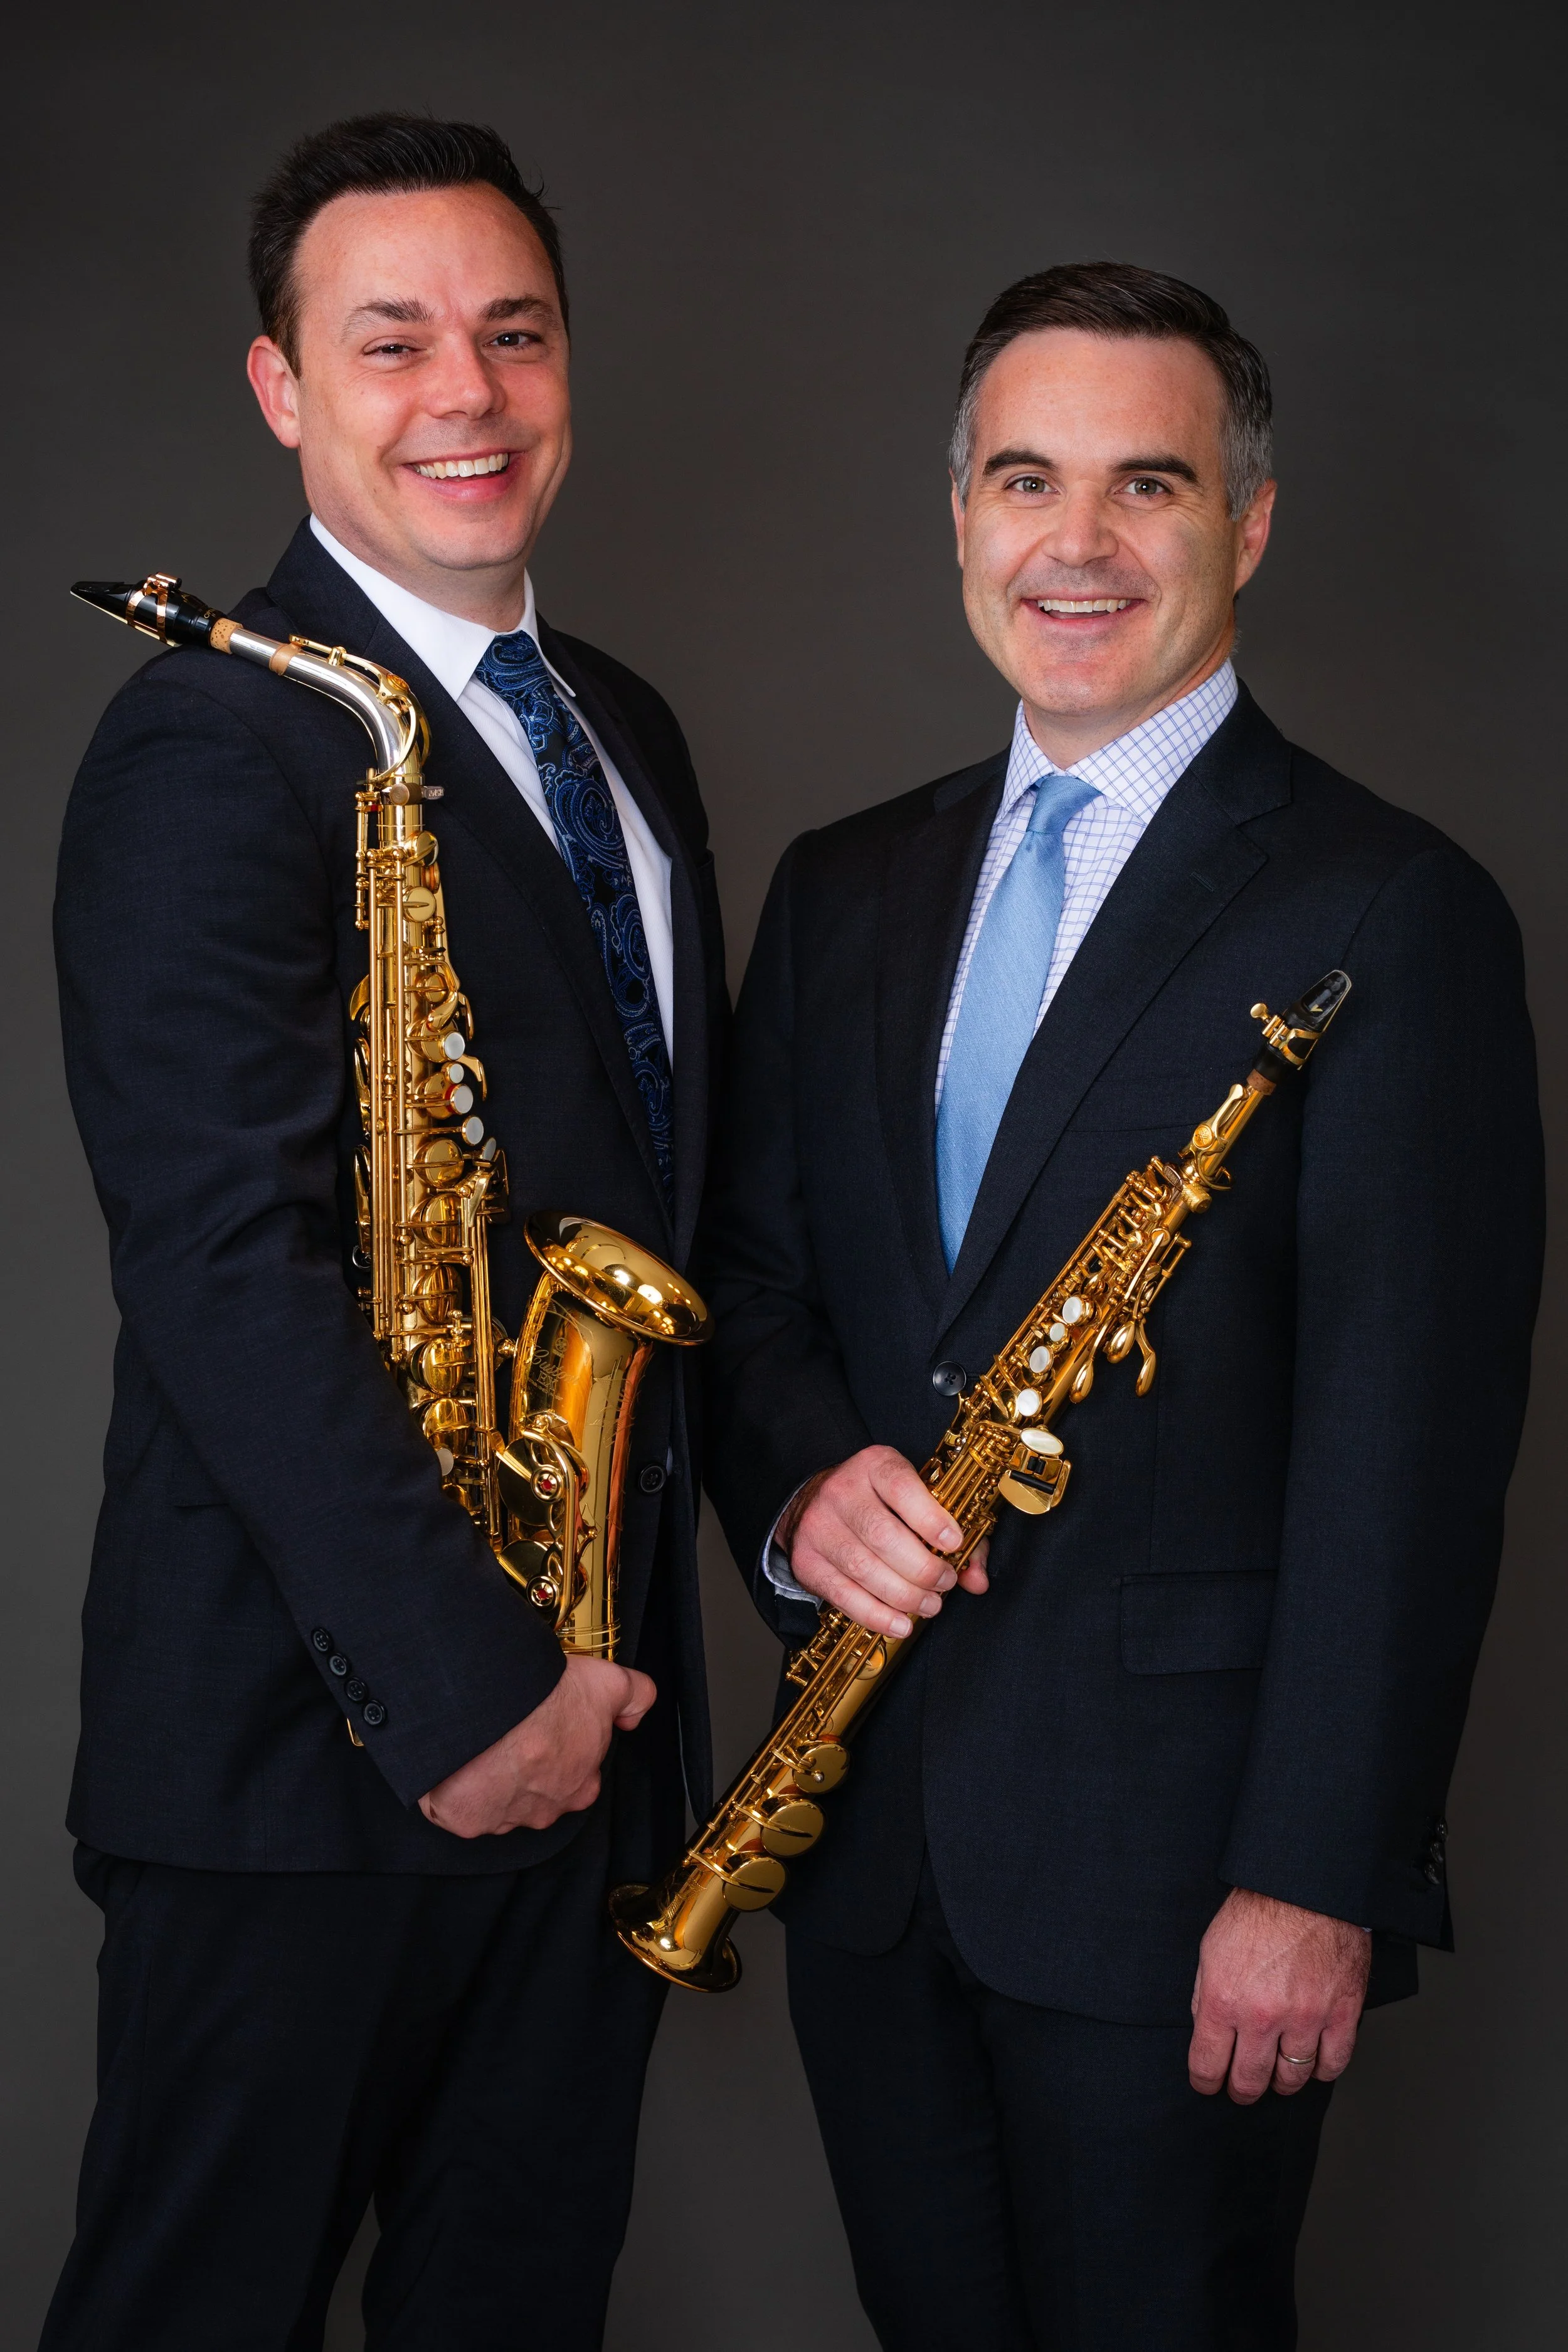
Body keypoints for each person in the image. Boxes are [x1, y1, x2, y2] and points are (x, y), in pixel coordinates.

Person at [699, 262, 1542, 2349]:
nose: (1074, 543)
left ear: (1242, 527)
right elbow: (757, 1289)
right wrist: (804, 1489)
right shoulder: (841, 883)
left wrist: (1316, 1872)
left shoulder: (1392, 907)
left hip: (1186, 1895)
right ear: (961, 521)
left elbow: (1406, 1439)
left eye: (1144, 484)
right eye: (1023, 481)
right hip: (870, 1851)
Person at [45, 114, 726, 2351]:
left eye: (513, 335)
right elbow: (222, 1259)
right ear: (281, 388)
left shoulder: (616, 730)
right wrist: (464, 1691)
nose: (467, 394)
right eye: (393, 340)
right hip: (307, 1747)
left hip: (590, 1725)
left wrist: (590, 1699)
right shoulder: (206, 742)